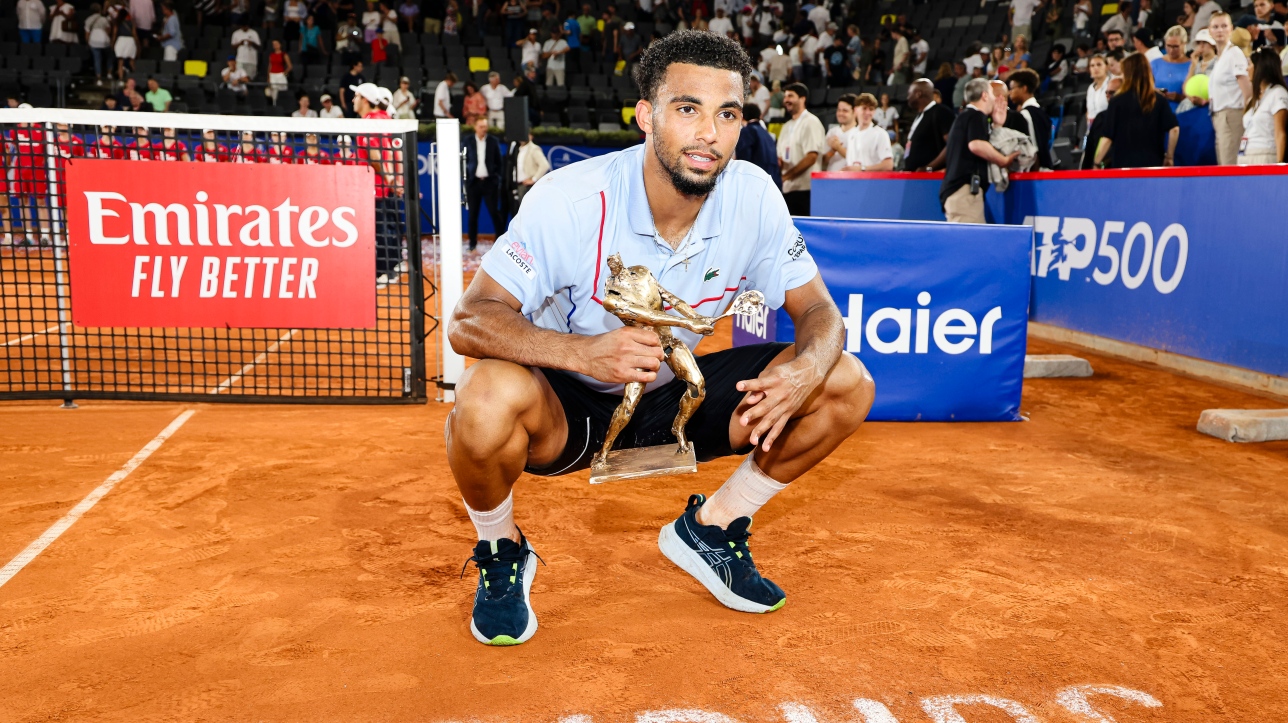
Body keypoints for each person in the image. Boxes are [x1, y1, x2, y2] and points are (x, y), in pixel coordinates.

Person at [447, 30, 872, 646]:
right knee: (483, 397)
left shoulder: (752, 193)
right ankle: (502, 549)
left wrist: (803, 373)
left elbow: (822, 315)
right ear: (647, 115)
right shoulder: (568, 199)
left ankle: (714, 528)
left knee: (844, 380)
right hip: (566, 409)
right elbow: (468, 319)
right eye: (687, 109)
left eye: (727, 114)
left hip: (676, 397)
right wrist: (583, 353)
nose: (708, 133)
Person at [941, 78, 1019, 224]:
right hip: (964, 194)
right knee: (970, 243)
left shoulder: (965, 117)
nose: (995, 99)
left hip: (959, 193)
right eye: (992, 94)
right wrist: (1003, 160)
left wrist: (997, 125)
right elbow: (976, 145)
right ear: (984, 96)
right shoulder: (976, 115)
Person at [1094, 53, 1179, 168]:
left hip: (1123, 165)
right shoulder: (1158, 100)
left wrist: (1096, 163)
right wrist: (1169, 157)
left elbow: (1107, 138)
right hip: (1153, 163)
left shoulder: (1117, 101)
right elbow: (1174, 129)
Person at [1208, 12, 1254, 165]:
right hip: (1219, 117)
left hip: (1232, 116)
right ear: (1210, 30)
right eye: (1215, 27)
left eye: (1224, 26)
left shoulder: (1234, 53)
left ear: (1231, 29)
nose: (1219, 30)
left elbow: (1247, 90)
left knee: (1230, 165)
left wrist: (1247, 118)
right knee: (1223, 165)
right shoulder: (1219, 58)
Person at [776, 81, 825, 215]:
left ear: (803, 98)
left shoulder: (811, 122)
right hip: (788, 189)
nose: (786, 100)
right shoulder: (786, 126)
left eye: (790, 96)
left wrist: (786, 176)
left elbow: (811, 157)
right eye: (785, 96)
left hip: (806, 190)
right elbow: (781, 157)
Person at [1240, 47, 1288, 164]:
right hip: (1245, 155)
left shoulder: (1278, 93)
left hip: (1265, 155)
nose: (1247, 69)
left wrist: (1280, 164)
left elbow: (1280, 132)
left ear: (1260, 68)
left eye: (1250, 64)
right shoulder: (1254, 98)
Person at [462, 116, 503, 251]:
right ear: (475, 127)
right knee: (472, 215)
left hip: (489, 183)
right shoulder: (467, 141)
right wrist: (467, 178)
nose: (483, 129)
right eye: (481, 126)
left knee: (494, 213)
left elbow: (499, 162)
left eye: (485, 126)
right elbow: (463, 161)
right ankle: (472, 244)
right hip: (473, 183)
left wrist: (496, 177)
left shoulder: (493, 141)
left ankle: (500, 242)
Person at [903, 79, 954, 171]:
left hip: (931, 180)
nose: (907, 98)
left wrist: (929, 167)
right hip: (914, 177)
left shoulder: (940, 111)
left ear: (918, 93)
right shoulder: (920, 115)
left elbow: (953, 143)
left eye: (909, 93)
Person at [1009, 68, 1054, 170]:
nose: (1009, 93)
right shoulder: (1040, 112)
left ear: (1024, 88)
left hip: (1036, 173)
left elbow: (1033, 148)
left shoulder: (1026, 114)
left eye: (1012, 88)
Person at [842, 93, 894, 172]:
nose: (867, 112)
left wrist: (862, 169)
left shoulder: (880, 134)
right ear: (856, 110)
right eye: (864, 108)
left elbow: (888, 165)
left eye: (871, 109)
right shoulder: (851, 134)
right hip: (854, 182)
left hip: (872, 182)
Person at [735, 102, 782, 187]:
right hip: (773, 185)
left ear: (742, 117)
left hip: (756, 184)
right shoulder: (768, 135)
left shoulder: (747, 131)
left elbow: (743, 162)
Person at [1153, 26, 1192, 110]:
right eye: (1168, 46)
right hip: (1155, 111)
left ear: (1184, 43)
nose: (1171, 50)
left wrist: (1180, 97)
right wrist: (1155, 91)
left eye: (1175, 46)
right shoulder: (1154, 64)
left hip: (1181, 111)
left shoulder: (1192, 65)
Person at [822, 95, 857, 172]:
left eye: (845, 111)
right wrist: (832, 151)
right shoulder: (832, 132)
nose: (840, 113)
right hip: (831, 178)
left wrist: (839, 148)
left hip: (851, 179)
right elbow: (823, 162)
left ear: (855, 111)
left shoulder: (860, 133)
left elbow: (858, 160)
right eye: (839, 110)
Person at [514, 132, 550, 206]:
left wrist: (534, 179)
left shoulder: (534, 149)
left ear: (531, 136)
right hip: (520, 186)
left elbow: (545, 165)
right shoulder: (519, 149)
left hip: (529, 187)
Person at [86, 4, 113, 85]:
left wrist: (88, 43)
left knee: (97, 59)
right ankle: (109, 73)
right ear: (99, 10)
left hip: (93, 41)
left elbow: (87, 33)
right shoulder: (104, 19)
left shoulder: (88, 20)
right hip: (104, 40)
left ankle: (99, 78)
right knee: (110, 55)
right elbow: (108, 30)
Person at [113, 9, 139, 80]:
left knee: (120, 62)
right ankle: (135, 78)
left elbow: (114, 33)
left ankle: (121, 79)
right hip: (130, 41)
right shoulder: (131, 22)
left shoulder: (117, 22)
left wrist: (113, 42)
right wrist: (138, 43)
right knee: (131, 61)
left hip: (120, 41)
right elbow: (134, 34)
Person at [267, 39, 293, 104]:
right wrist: (269, 77)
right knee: (273, 92)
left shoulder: (284, 54)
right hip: (272, 75)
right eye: (273, 44)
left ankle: (284, 104)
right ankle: (274, 105)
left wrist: (284, 73)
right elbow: (270, 66)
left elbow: (290, 66)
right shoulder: (271, 55)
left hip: (281, 74)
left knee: (283, 90)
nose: (275, 45)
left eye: (276, 44)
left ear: (280, 45)